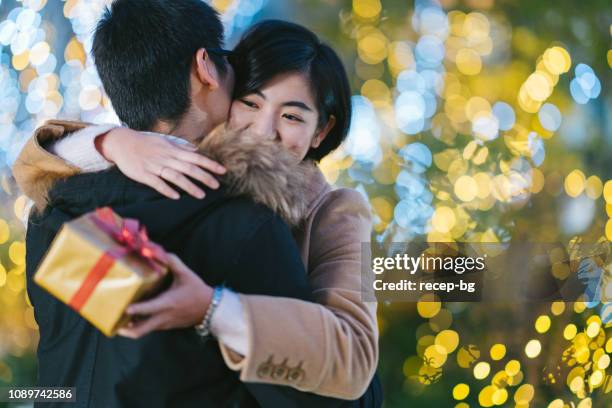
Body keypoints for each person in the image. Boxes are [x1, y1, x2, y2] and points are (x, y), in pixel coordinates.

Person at [13, 1, 380, 407]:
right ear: (207, 67)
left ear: (321, 130)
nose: (263, 130)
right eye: (251, 102)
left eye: (292, 116)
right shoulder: (243, 224)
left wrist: (109, 142)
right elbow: (339, 398)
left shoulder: (50, 215)